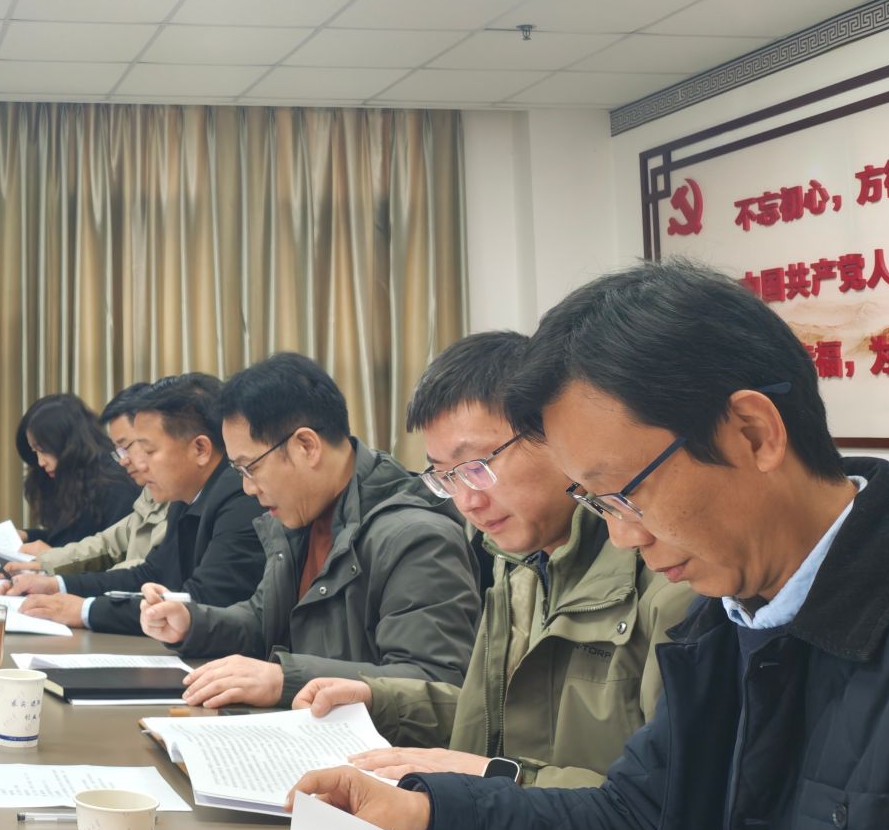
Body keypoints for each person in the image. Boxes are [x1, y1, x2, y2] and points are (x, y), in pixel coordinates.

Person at [292, 261, 889, 830]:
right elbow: (637, 816)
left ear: (753, 433)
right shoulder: (729, 614)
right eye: (597, 503)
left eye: (627, 493)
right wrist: (430, 810)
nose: (624, 537)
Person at [295, 330, 695, 787]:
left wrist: (497, 776)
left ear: (556, 435)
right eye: (446, 477)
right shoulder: (517, 565)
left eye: (477, 467)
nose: (467, 502)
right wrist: (380, 701)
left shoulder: (669, 572)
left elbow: (661, 800)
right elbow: (497, 724)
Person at [142, 352, 478, 708]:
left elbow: (433, 683)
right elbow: (263, 619)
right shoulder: (299, 518)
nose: (247, 488)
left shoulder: (415, 537)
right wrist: (192, 623)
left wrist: (285, 680)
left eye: (250, 468)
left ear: (306, 446)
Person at [10, 372, 265, 635]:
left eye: (149, 451)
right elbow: (151, 573)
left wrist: (86, 610)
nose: (138, 463)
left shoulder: (240, 499)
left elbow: (203, 600)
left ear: (200, 449)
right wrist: (58, 585)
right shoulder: (185, 496)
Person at [7, 384, 172, 576]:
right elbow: (105, 545)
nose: (40, 462)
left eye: (44, 450)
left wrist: (55, 570)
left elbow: (138, 570)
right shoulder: (148, 493)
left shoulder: (121, 486)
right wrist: (43, 554)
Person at [10, 393, 139, 550]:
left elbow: (111, 553)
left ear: (69, 445)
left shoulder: (117, 487)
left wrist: (51, 556)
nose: (40, 462)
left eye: (44, 450)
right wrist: (27, 536)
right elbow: (70, 538)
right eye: (34, 451)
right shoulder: (69, 480)